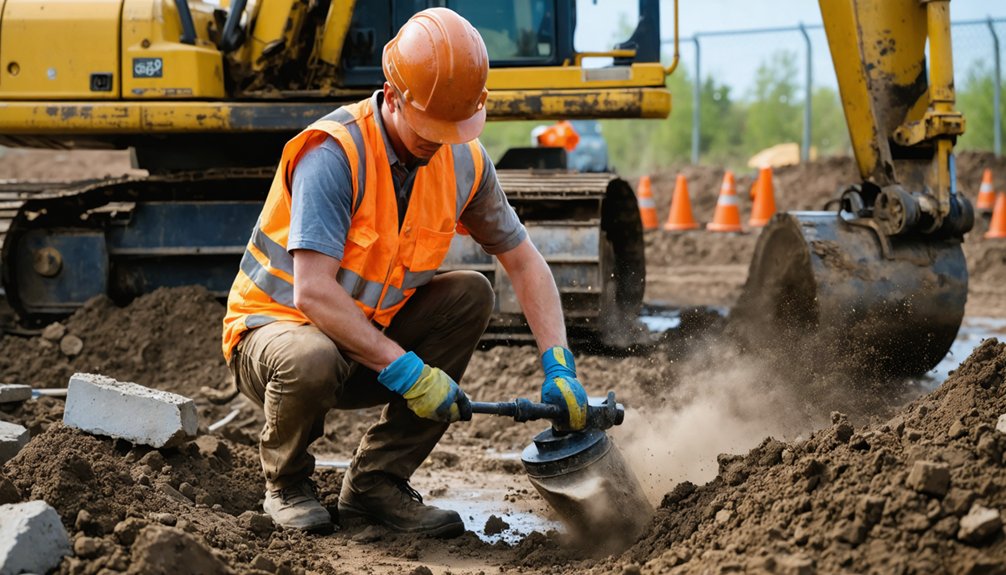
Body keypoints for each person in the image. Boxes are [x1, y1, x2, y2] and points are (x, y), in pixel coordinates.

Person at [221, 7, 590, 538]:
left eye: (452, 127)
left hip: (362, 341)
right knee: (312, 356)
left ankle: (376, 485)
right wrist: (407, 371)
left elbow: (524, 261)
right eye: (429, 127)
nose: (439, 141)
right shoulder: (335, 153)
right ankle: (287, 483)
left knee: (470, 294)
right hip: (274, 339)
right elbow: (314, 293)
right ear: (392, 96)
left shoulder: (463, 158)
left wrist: (559, 365)